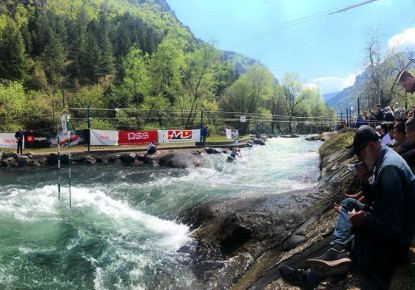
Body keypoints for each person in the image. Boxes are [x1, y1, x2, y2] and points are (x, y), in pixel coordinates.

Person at [279, 125, 415, 289]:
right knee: (349, 204)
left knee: (355, 240)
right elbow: (377, 200)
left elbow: (393, 227)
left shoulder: (389, 169)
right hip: (389, 226)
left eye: (359, 154)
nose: (359, 159)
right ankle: (337, 250)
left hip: (395, 243)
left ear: (371, 146)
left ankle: (314, 274)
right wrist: (365, 180)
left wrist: (366, 218)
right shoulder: (383, 158)